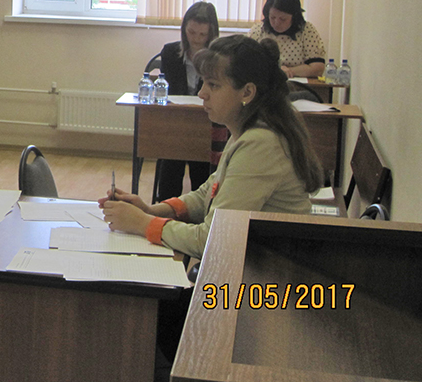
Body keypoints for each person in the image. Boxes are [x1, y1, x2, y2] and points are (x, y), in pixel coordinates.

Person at [101, 34, 324, 259]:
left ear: (247, 92)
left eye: (213, 85)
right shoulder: (247, 129)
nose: (202, 93)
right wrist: (151, 211)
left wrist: (143, 223)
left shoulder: (261, 143)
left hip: (271, 271)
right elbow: (209, 192)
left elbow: (214, 239)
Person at [156, 1, 226, 200]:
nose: (196, 39)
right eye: (191, 32)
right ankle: (165, 207)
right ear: (184, 29)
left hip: (207, 121)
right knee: (171, 161)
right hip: (176, 121)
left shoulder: (220, 58)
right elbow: (167, 90)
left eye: (202, 34)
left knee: (201, 171)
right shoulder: (170, 52)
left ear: (211, 34)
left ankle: (199, 210)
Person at [246, 0, 326, 78]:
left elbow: (318, 68)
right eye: (272, 17)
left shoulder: (307, 30)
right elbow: (243, 63)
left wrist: (290, 71)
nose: (276, 23)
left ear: (294, 17)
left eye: (283, 19)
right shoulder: (258, 30)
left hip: (297, 84)